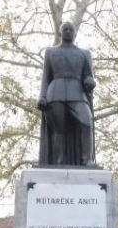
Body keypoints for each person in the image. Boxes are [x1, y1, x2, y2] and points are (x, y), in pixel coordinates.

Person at [37, 20, 95, 166]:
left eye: (71, 29)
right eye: (65, 29)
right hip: (55, 93)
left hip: (78, 93)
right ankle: (59, 160)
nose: (68, 31)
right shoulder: (50, 52)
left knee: (87, 122)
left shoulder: (84, 53)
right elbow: (46, 76)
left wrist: (90, 81)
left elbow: (89, 76)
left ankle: (87, 159)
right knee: (58, 130)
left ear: (75, 33)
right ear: (60, 32)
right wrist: (42, 97)